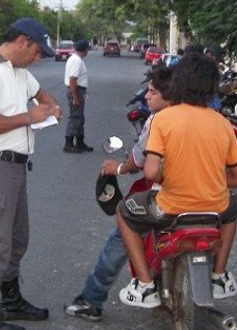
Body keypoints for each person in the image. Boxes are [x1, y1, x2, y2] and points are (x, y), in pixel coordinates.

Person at [116, 52, 237, 308]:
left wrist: (175, 175)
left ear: (178, 82)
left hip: (170, 209)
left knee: (123, 211)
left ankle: (145, 286)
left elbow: (151, 172)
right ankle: (219, 276)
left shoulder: (163, 119)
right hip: (216, 210)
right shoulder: (222, 123)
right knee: (232, 209)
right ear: (212, 86)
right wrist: (208, 177)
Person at [0, 17, 62, 330]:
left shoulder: (19, 71)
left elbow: (43, 95)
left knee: (17, 239)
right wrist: (30, 116)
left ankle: (11, 301)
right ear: (22, 41)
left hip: (16, 167)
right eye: (36, 52)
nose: (37, 59)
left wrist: (51, 107)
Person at [64, 66, 174, 322]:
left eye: (152, 92)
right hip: (208, 201)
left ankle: (93, 298)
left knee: (123, 227)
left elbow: (142, 161)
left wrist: (120, 168)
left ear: (170, 93)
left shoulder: (160, 120)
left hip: (168, 198)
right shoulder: (210, 118)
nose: (147, 97)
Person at [63, 39, 93, 153]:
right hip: (75, 90)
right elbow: (72, 80)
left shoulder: (75, 59)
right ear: (85, 49)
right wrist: (75, 97)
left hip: (78, 90)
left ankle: (80, 142)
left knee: (80, 118)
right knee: (75, 118)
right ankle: (69, 143)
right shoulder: (77, 61)